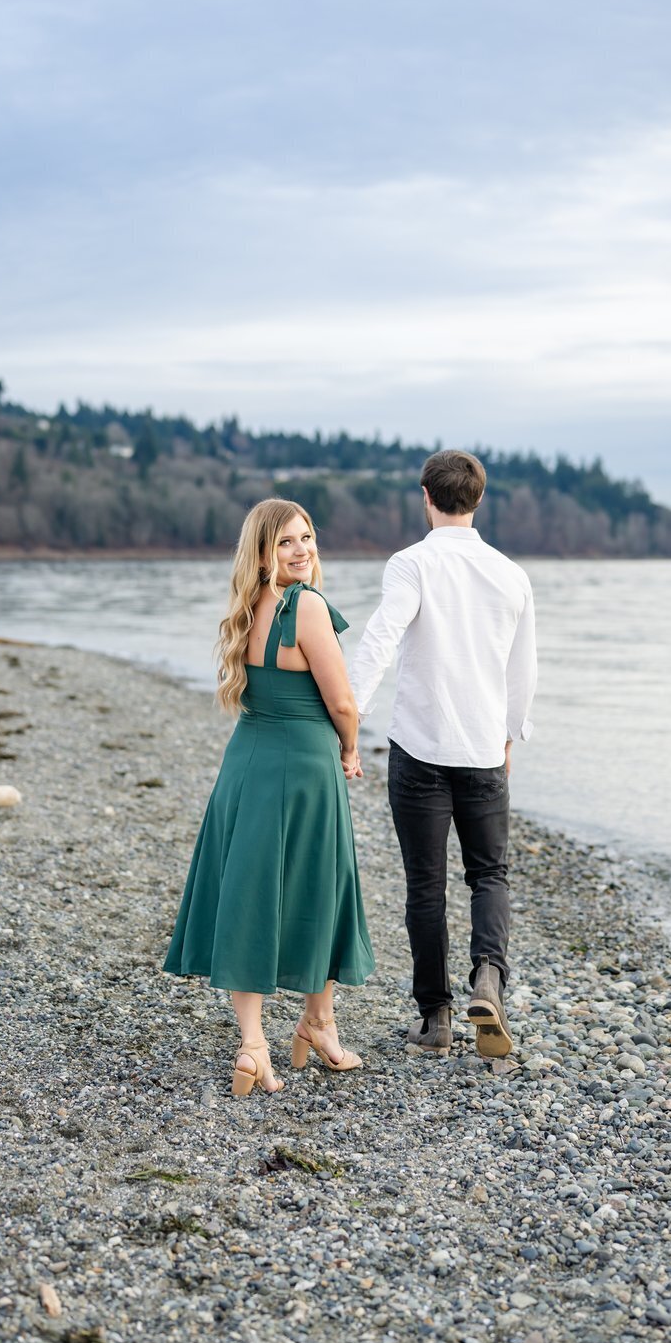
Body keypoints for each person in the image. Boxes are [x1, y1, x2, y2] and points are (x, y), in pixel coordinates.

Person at [163, 499, 375, 1095]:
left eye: (307, 537)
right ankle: (315, 1020)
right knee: (320, 887)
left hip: (247, 761)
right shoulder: (306, 607)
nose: (302, 549)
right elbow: (341, 704)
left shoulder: (246, 608)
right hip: (305, 767)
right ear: (262, 552)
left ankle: (261, 1042)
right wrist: (352, 749)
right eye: (286, 542)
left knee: (249, 893)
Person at [349, 450, 537, 1058]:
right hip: (483, 748)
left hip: (420, 749)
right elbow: (523, 669)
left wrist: (347, 716)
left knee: (425, 885)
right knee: (489, 873)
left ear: (425, 496)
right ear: (478, 499)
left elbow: (381, 638)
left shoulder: (412, 564)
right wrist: (510, 733)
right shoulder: (511, 574)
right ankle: (489, 978)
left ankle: (435, 1020)